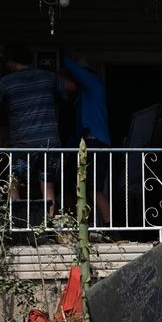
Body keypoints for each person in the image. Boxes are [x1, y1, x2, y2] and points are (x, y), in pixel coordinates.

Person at [0, 45, 62, 208]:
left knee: (12, 183)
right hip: (49, 142)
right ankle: (48, 228)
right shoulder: (48, 77)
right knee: (47, 187)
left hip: (23, 143)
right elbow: (71, 87)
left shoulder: (7, 82)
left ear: (11, 62)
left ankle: (18, 224)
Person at [60, 55, 111, 226]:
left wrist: (61, 54)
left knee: (93, 187)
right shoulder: (82, 98)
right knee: (82, 187)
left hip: (96, 142)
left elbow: (70, 64)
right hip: (87, 143)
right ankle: (88, 227)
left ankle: (111, 228)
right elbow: (77, 131)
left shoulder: (92, 82)